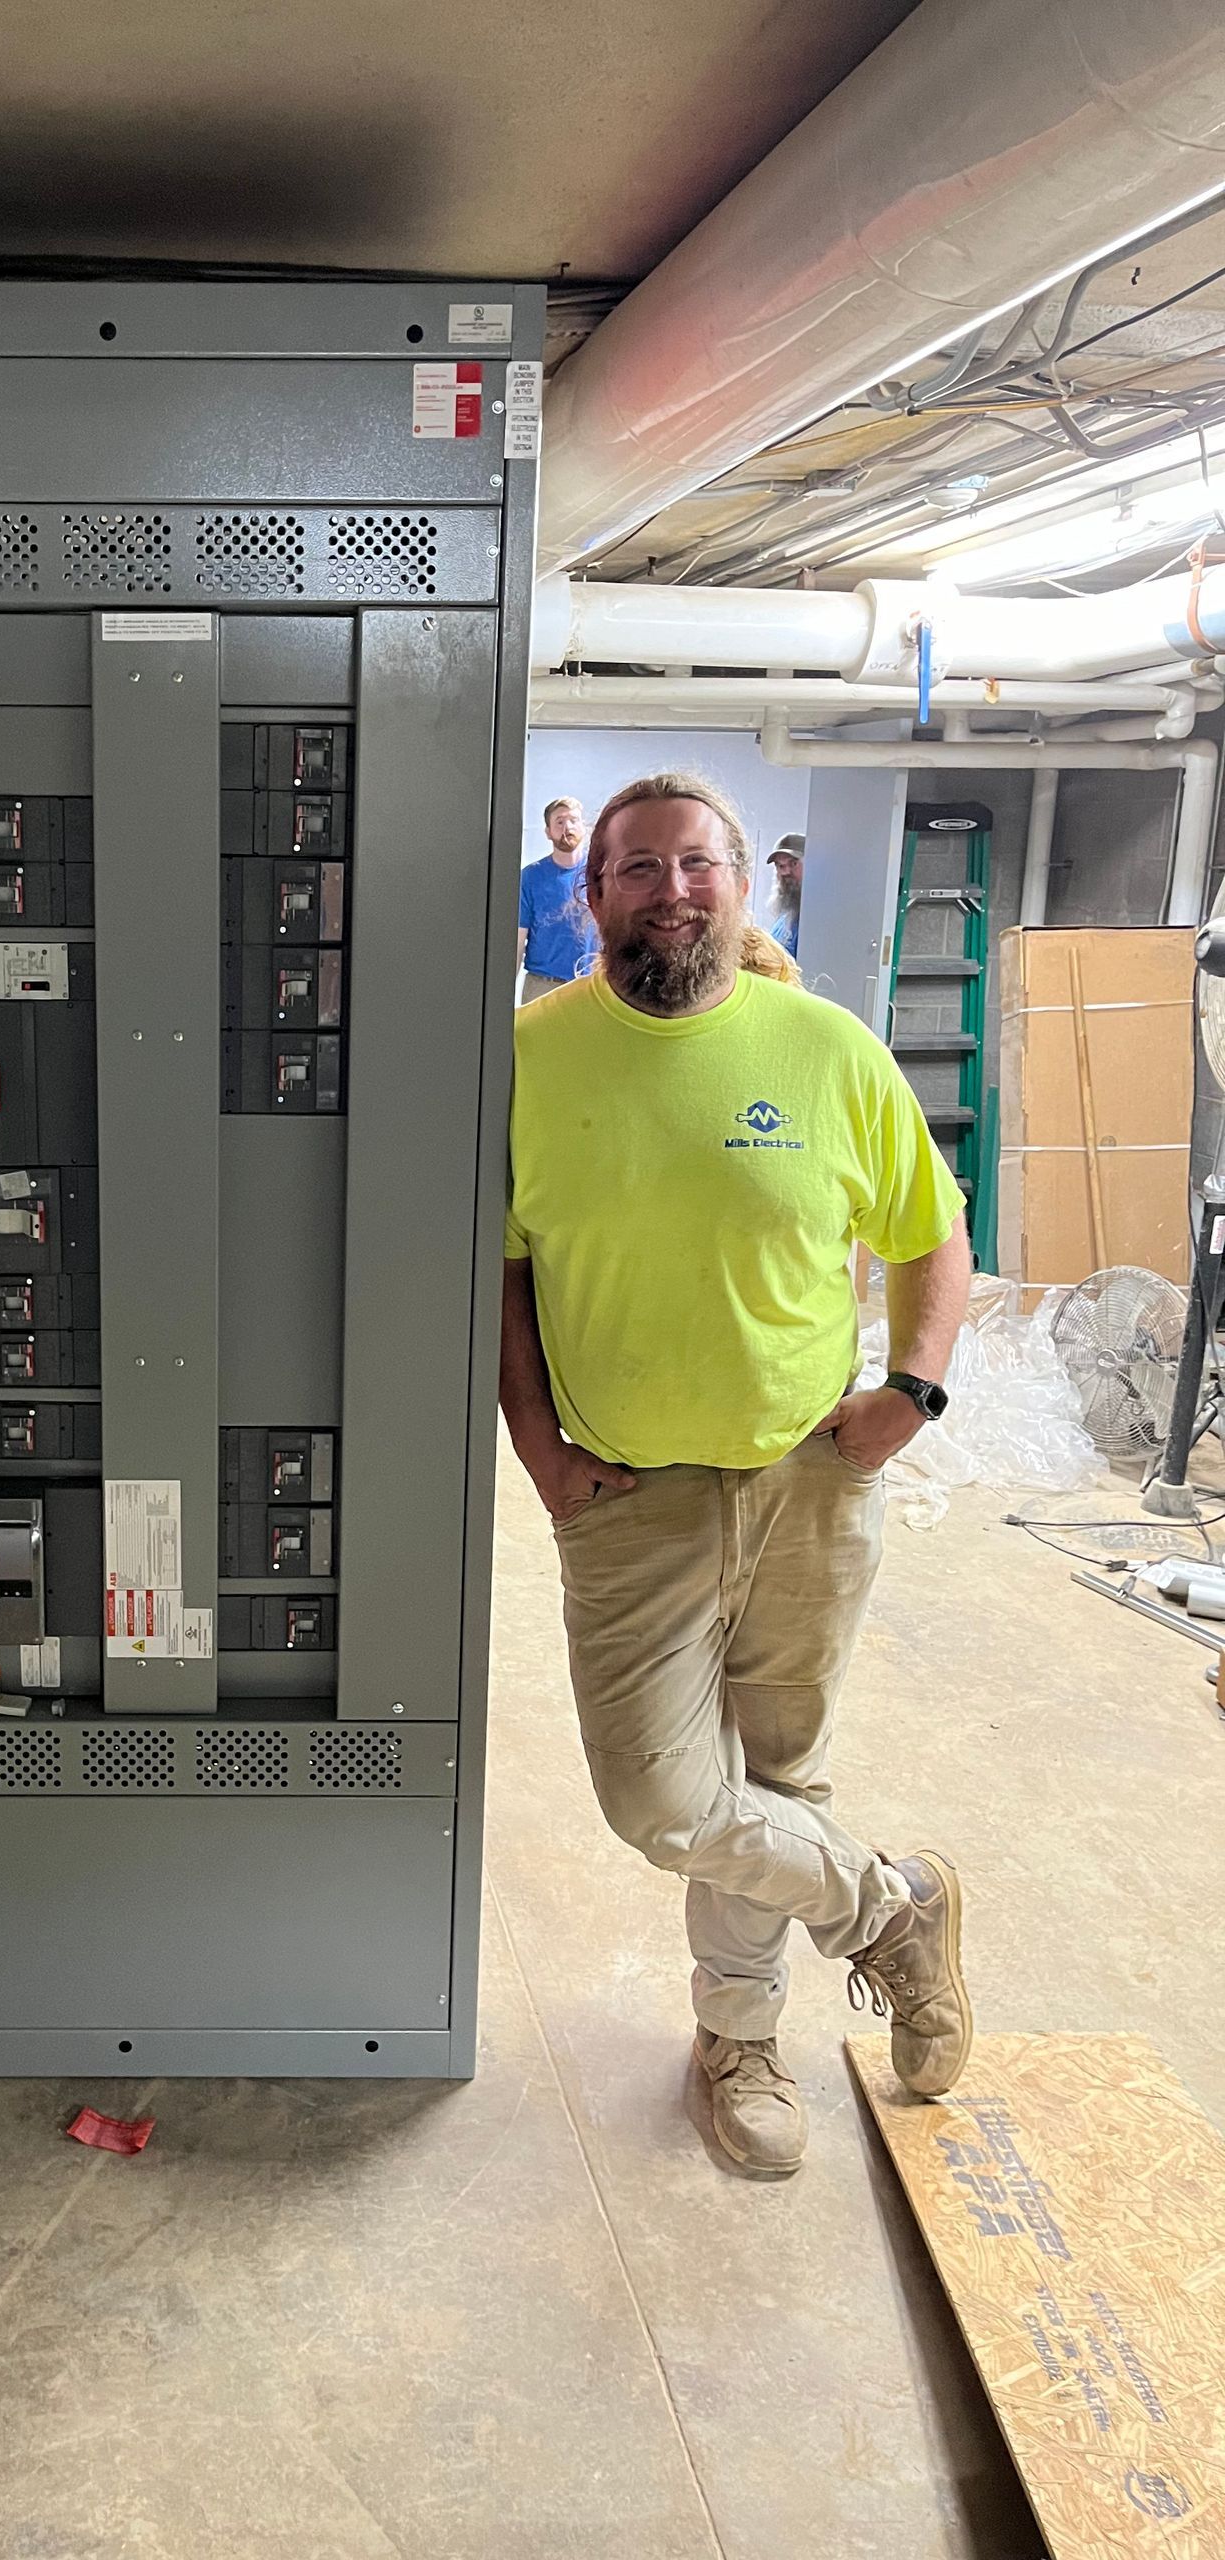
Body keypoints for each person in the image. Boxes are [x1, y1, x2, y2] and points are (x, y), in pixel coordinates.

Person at [499, 770, 975, 2181]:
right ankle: (893, 1909)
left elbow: (929, 1234)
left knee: (781, 1770)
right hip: (627, 1493)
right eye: (638, 869)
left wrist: (912, 1391)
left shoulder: (827, 1050)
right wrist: (535, 1438)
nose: (670, 891)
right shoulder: (530, 1057)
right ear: (595, 897)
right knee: (666, 1801)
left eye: (695, 865)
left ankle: (740, 2044)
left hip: (807, 1476)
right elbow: (504, 1275)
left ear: (740, 886)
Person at [517, 796, 599, 1001]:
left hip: (591, 985)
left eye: (573, 820)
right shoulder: (530, 877)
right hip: (542, 986)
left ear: (584, 827)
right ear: (548, 832)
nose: (567, 827)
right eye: (559, 822)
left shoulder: (600, 874)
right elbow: (518, 939)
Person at [767, 833, 804, 958]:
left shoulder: (816, 919)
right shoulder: (784, 918)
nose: (786, 872)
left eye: (793, 863)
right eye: (780, 865)